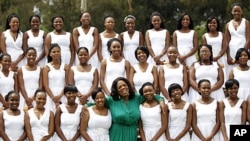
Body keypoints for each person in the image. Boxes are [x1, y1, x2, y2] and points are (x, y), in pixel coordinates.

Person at [105, 77, 165, 141]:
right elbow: (97, 102)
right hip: (117, 133)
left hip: (132, 133)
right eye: (119, 87)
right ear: (116, 90)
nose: (123, 87)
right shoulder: (111, 100)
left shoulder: (136, 98)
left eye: (124, 85)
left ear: (128, 86)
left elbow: (150, 95)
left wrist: (161, 100)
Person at [225, 2, 250, 79]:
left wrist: (243, 54)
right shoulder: (228, 24)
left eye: (239, 11)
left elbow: (249, 38)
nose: (237, 13)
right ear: (232, 12)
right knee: (233, 71)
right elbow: (226, 41)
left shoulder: (246, 22)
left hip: (244, 47)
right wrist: (228, 56)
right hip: (232, 49)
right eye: (235, 11)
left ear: (242, 11)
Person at [42, 43, 70, 112]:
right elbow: (45, 85)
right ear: (50, 54)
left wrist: (60, 96)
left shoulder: (66, 67)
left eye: (58, 51)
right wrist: (53, 98)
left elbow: (67, 84)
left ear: (60, 53)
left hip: (63, 94)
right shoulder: (46, 67)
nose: (56, 53)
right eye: (54, 52)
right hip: (50, 95)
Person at [202, 16, 227, 81]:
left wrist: (217, 57)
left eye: (214, 23)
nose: (212, 24)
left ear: (217, 24)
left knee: (222, 76)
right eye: (210, 23)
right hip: (209, 59)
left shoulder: (222, 34)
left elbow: (224, 47)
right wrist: (211, 58)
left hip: (220, 58)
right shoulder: (205, 36)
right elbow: (204, 49)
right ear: (207, 25)